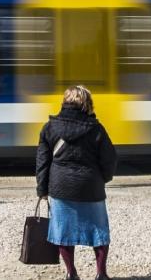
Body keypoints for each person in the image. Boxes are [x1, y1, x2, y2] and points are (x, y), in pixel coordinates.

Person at [36, 85, 118, 280]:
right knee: (99, 231)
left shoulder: (49, 127)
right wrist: (103, 179)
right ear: (87, 103)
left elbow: (42, 161)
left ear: (64, 102)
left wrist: (42, 189)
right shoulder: (96, 128)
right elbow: (110, 159)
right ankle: (101, 274)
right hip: (91, 186)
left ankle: (71, 273)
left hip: (61, 187)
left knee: (64, 232)